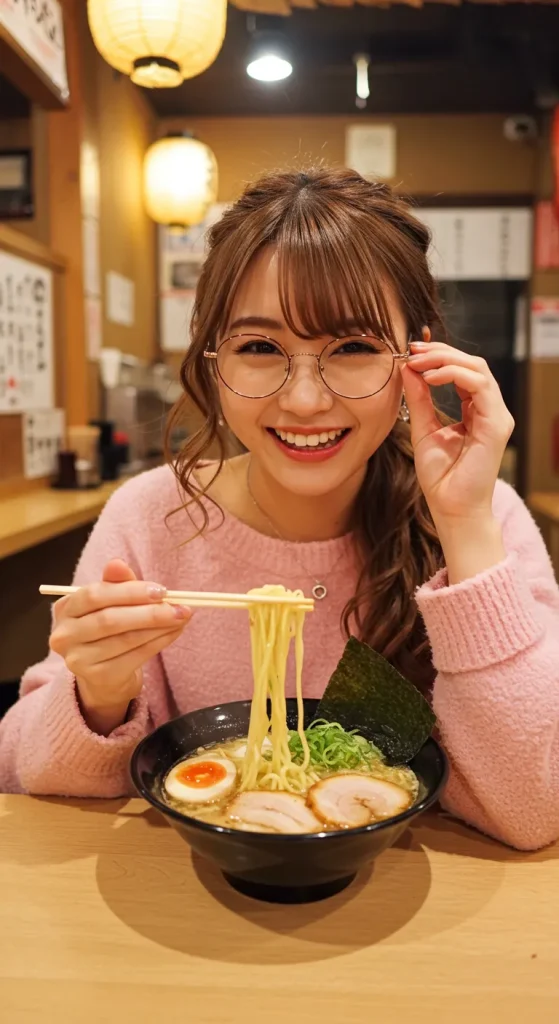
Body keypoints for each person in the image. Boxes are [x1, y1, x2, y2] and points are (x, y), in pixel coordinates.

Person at [1, 168, 558, 851]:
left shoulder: (483, 518)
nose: (302, 401)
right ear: (213, 360)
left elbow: (533, 808)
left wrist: (465, 528)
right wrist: (99, 692)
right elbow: (26, 772)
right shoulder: (152, 517)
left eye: (351, 348)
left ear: (416, 357)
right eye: (260, 348)